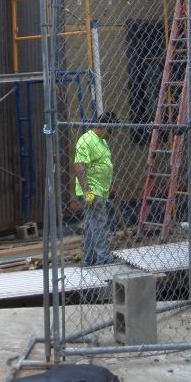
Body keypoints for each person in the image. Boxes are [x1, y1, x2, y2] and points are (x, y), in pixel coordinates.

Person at [73, 111, 119, 266]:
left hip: (101, 190)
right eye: (112, 130)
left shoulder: (102, 141)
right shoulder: (86, 139)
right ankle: (104, 258)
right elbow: (78, 165)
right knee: (99, 223)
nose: (112, 135)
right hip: (92, 190)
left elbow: (104, 164)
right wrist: (88, 191)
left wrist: (109, 184)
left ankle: (88, 260)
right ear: (103, 127)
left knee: (93, 223)